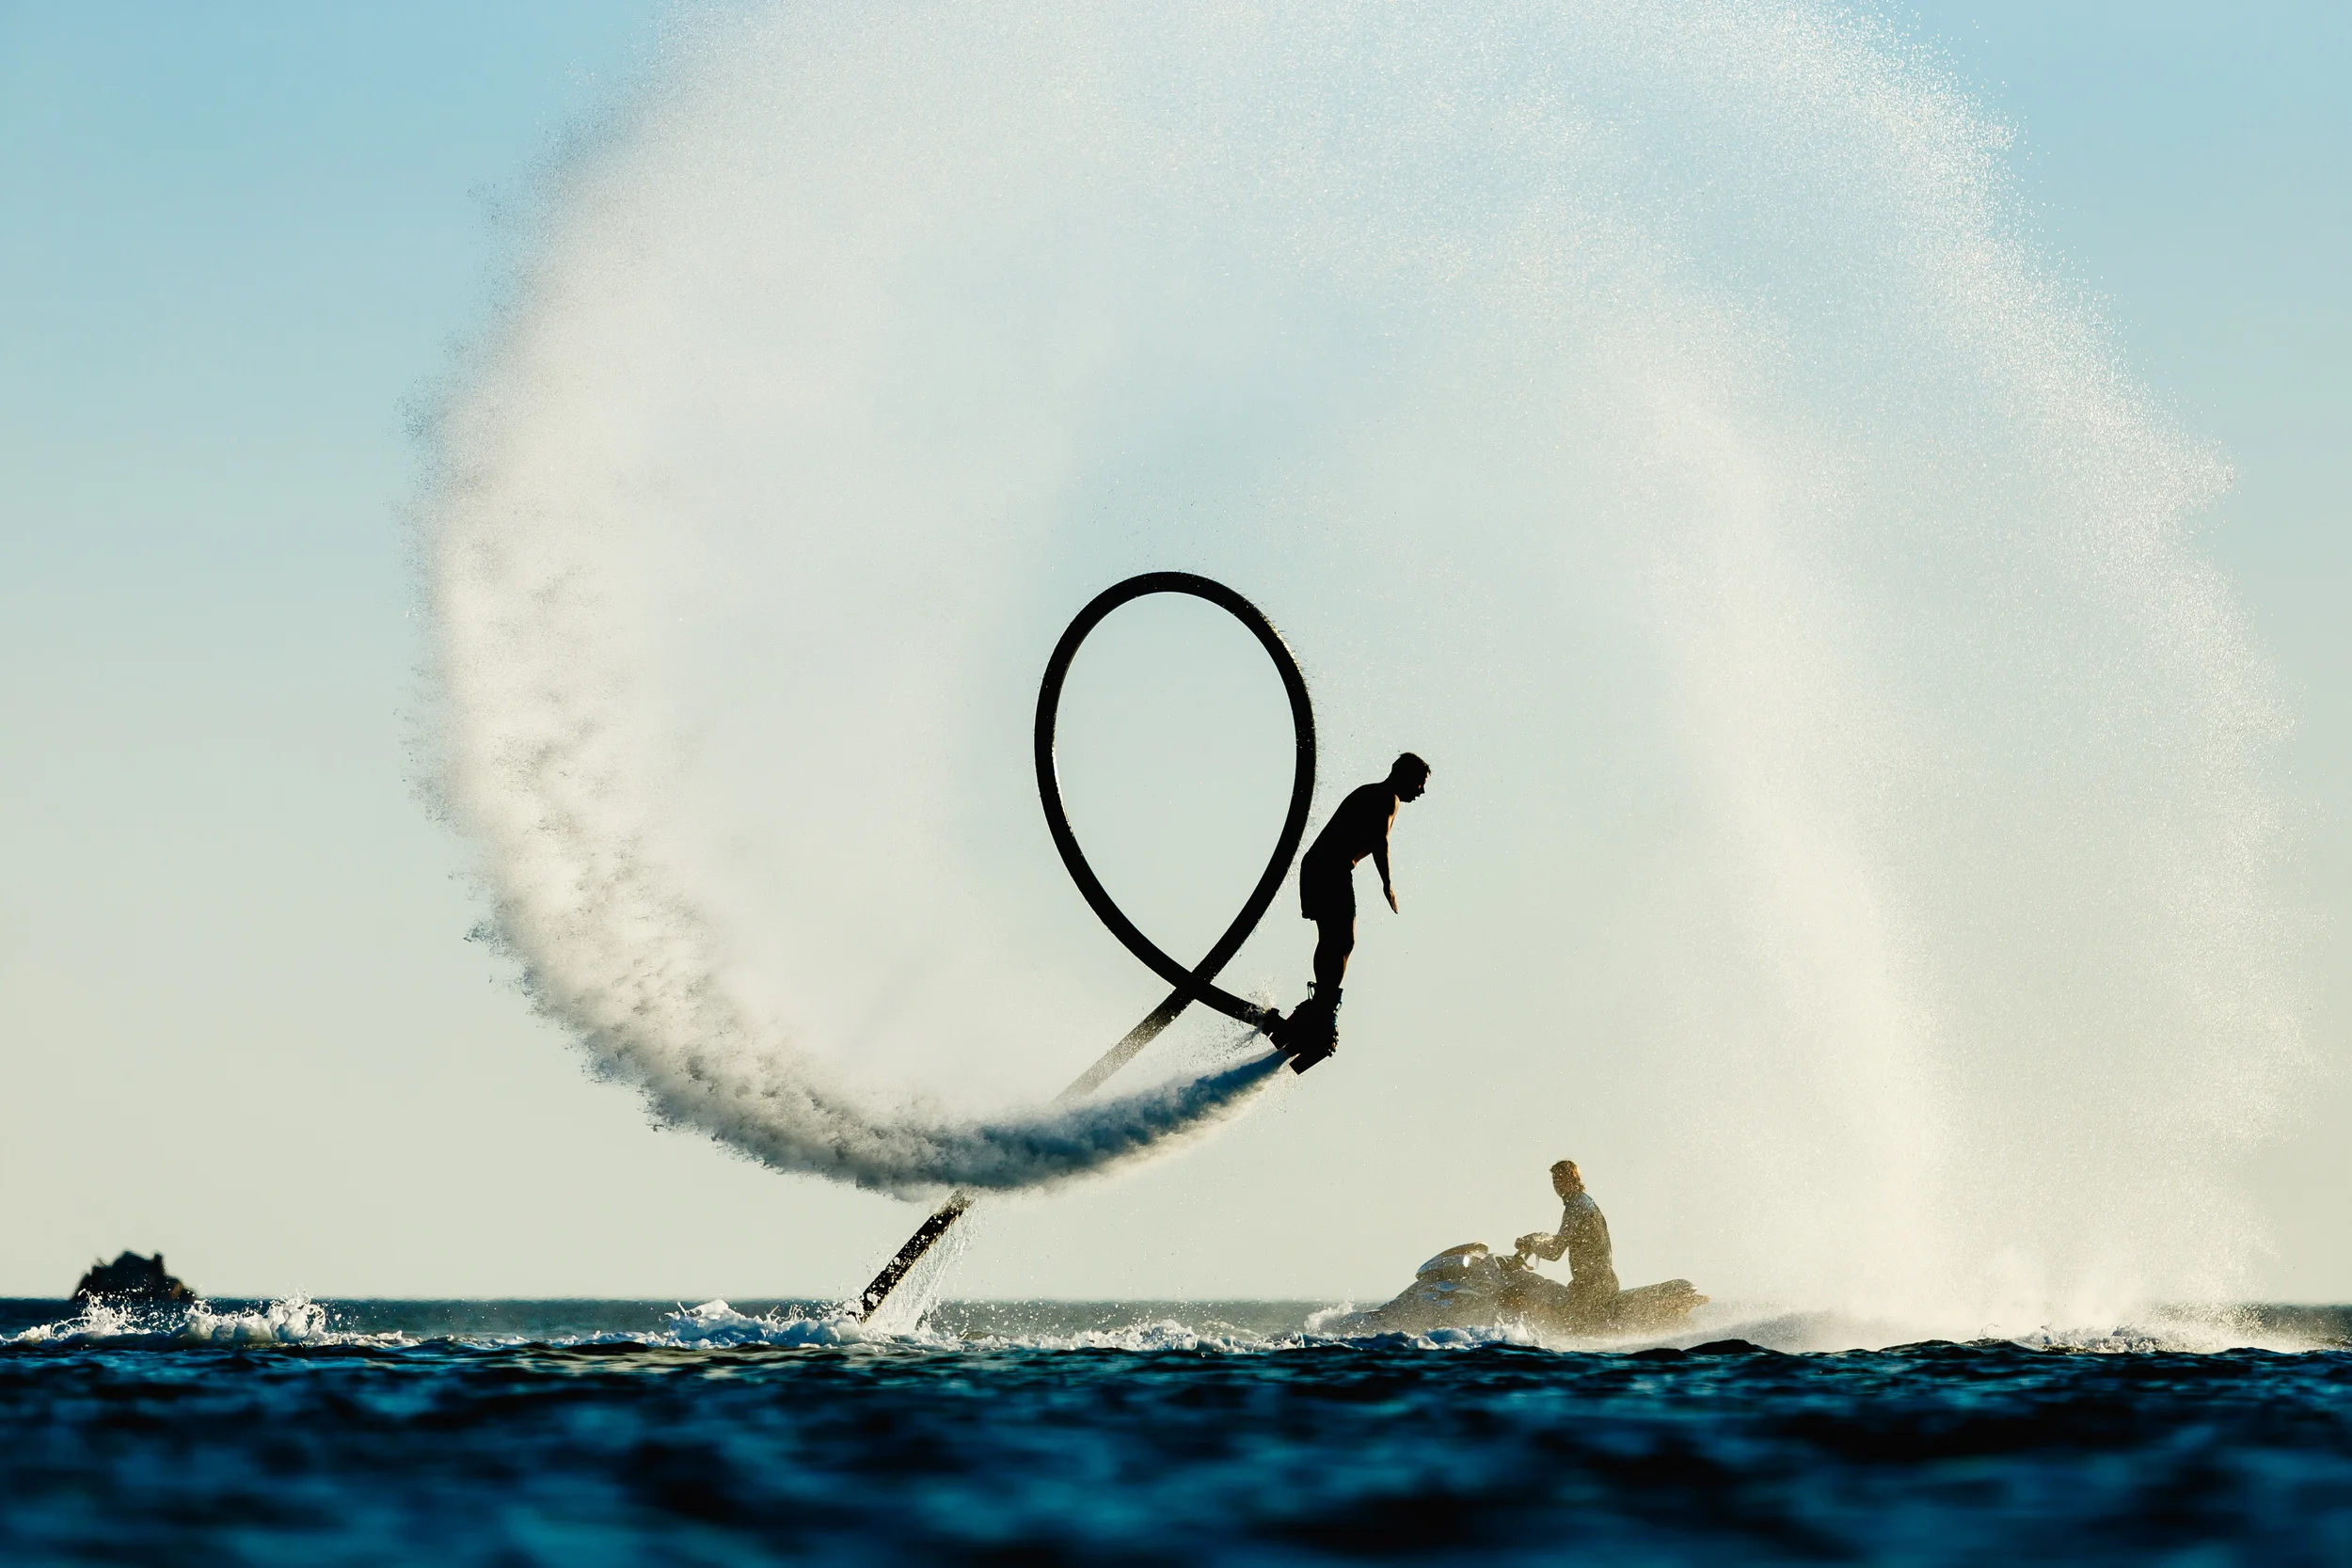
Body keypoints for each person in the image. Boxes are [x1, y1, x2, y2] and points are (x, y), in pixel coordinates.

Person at [1271, 752, 1430, 1068]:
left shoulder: (1377, 794)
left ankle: (1318, 1009)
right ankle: (1321, 1010)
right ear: (1404, 776)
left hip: (1320, 867)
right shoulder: (1386, 797)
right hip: (1329, 868)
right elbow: (1380, 841)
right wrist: (1387, 883)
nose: (1422, 791)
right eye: (1419, 784)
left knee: (1335, 940)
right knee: (1342, 940)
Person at [1514, 1160, 1621, 1326]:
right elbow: (1563, 1238)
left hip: (1593, 1288)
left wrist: (1531, 1246)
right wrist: (1535, 1240)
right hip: (1600, 1283)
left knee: (1521, 1302)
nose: (1557, 1184)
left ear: (1573, 1180)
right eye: (1554, 1179)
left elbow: (1554, 1252)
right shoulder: (1585, 1202)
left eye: (1561, 1179)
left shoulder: (1576, 1208)